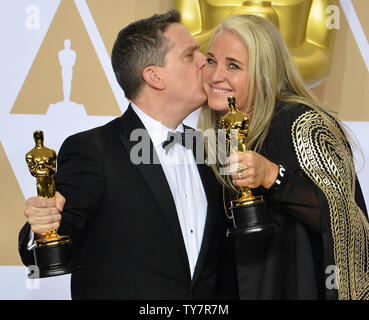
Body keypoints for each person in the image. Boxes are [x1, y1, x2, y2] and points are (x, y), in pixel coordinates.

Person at [19, 9, 238, 299]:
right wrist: (42, 227)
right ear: (154, 76)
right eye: (190, 55)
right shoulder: (94, 151)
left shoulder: (212, 148)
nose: (204, 62)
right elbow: (53, 239)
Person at [198, 14, 369, 300]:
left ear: (264, 72)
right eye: (212, 61)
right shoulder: (213, 134)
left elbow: (344, 224)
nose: (215, 76)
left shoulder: (305, 124)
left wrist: (272, 177)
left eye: (233, 66)